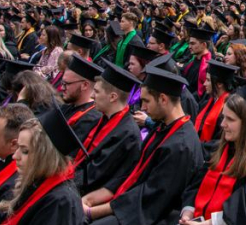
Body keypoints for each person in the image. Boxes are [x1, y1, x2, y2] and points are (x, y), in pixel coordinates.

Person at [83, 67, 203, 225]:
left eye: (146, 101)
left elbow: (149, 197)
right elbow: (131, 173)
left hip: (151, 215)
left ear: (163, 99)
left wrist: (94, 212)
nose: (143, 108)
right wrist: (91, 199)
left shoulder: (181, 146)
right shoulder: (163, 128)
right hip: (131, 202)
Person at [179, 81, 246, 225]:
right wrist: (188, 211)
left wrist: (209, 224)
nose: (222, 124)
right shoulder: (219, 150)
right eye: (223, 117)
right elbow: (195, 185)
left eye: (230, 119)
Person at [0, 107, 85, 225]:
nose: (15, 156)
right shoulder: (37, 181)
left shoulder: (60, 202)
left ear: (45, 157)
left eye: (25, 151)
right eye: (18, 148)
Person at [73, 63, 142, 195]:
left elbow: (95, 176)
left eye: (97, 91)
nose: (92, 95)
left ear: (112, 97)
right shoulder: (102, 118)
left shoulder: (127, 135)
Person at [195, 61, 239, 158]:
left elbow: (221, 141)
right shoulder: (207, 102)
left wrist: (198, 147)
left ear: (219, 84)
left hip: (212, 156)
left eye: (208, 80)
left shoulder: (229, 109)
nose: (204, 83)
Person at [59, 54, 103, 149]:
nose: (62, 88)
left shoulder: (91, 119)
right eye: (62, 83)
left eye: (67, 84)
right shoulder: (68, 106)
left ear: (85, 85)